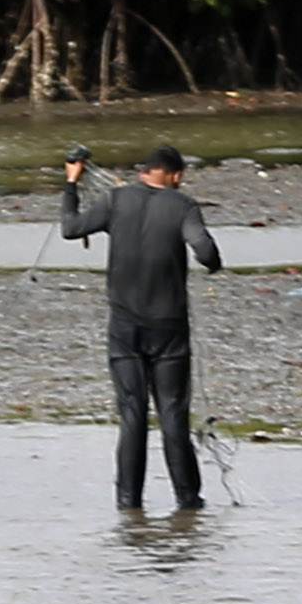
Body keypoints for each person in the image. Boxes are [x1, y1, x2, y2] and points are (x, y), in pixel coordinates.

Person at [59, 143, 225, 511]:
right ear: (176, 176)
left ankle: (128, 505)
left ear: (146, 171)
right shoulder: (183, 206)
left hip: (124, 329)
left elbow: (70, 229)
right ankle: (188, 502)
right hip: (169, 332)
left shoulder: (116, 201)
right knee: (172, 416)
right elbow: (206, 252)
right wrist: (213, 263)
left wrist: (71, 184)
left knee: (132, 415)